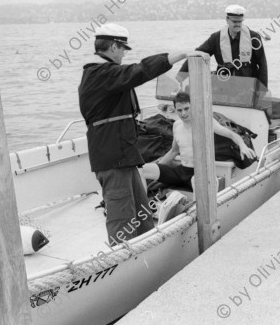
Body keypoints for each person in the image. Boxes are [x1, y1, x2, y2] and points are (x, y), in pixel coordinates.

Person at [78, 23, 208, 245]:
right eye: (123, 48)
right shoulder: (100, 73)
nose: (124, 53)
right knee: (121, 217)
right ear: (112, 46)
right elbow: (139, 71)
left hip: (125, 157)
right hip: (113, 160)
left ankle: (148, 249)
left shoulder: (106, 74)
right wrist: (178, 55)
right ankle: (122, 260)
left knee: (141, 212)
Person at [140, 91, 257, 186]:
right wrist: (158, 165)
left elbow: (232, 135)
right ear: (175, 109)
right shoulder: (177, 125)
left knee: (198, 184)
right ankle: (143, 211)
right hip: (181, 171)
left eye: (186, 109)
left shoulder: (205, 122)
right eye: (179, 110)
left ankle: (197, 214)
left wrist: (242, 145)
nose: (183, 113)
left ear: (193, 107)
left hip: (199, 175)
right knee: (141, 171)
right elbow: (174, 151)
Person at [178, 5, 268, 87]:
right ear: (227, 20)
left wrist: (263, 89)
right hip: (224, 84)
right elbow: (197, 54)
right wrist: (180, 78)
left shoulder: (254, 37)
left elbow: (262, 64)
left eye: (240, 21)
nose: (238, 24)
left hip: (247, 85)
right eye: (234, 21)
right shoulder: (216, 38)